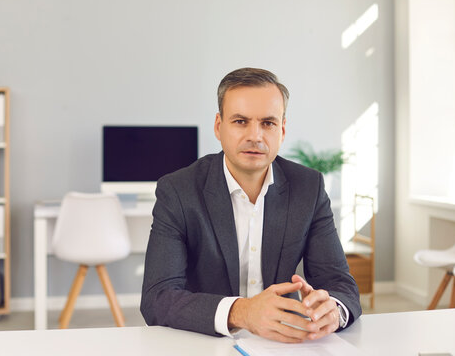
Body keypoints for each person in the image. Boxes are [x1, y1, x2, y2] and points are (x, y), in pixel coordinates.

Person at [141, 67, 361, 343]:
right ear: (219, 127)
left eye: (268, 123)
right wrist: (242, 312)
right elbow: (157, 298)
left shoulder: (309, 187)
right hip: (206, 340)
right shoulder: (178, 190)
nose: (255, 136)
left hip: (283, 343)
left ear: (281, 130)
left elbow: (341, 284)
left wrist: (334, 311)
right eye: (241, 121)